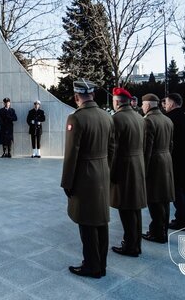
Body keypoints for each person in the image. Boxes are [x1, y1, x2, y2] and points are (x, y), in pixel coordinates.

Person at [61, 78, 114, 279]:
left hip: (85, 175)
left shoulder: (76, 118)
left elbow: (71, 154)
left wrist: (67, 182)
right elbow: (112, 148)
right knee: (101, 220)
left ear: (77, 97)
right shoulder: (107, 116)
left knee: (87, 222)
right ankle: (101, 263)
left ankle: (91, 265)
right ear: (93, 94)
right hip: (102, 172)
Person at [110, 87, 146, 257]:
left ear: (117, 102)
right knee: (135, 207)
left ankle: (130, 245)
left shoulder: (117, 118)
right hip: (137, 164)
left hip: (124, 166)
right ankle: (136, 243)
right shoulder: (139, 117)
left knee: (125, 207)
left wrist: (111, 173)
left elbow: (114, 149)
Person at [141, 93, 174, 243]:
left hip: (154, 162)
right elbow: (171, 144)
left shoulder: (148, 121)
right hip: (166, 159)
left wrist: (144, 170)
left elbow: (147, 149)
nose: (142, 107)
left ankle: (157, 233)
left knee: (154, 200)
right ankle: (163, 230)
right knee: (164, 199)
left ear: (147, 105)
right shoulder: (167, 119)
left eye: (143, 104)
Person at [164, 93, 185, 230]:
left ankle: (181, 220)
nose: (165, 105)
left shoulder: (170, 119)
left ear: (172, 104)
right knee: (184, 191)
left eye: (167, 102)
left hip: (175, 160)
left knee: (177, 192)